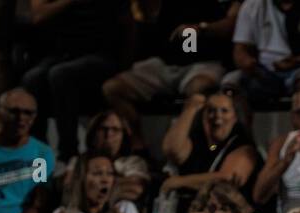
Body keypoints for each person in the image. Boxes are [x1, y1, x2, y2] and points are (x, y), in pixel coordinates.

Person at [102, 1, 240, 149]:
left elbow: (233, 24)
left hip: (206, 62)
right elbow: (147, 16)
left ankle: (188, 148)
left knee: (198, 87)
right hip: (166, 63)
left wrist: (200, 29)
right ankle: (138, 146)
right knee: (113, 88)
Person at [22, 0, 123, 159]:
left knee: (60, 75)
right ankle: (38, 154)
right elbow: (38, 15)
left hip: (99, 53)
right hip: (62, 53)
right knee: (32, 79)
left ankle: (68, 153)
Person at [157, 92, 262, 213]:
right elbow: (172, 150)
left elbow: (227, 178)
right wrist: (190, 109)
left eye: (224, 111)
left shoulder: (243, 146)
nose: (216, 116)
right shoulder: (209, 145)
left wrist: (177, 182)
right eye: (211, 110)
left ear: (235, 117)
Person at [224, 0, 300, 103]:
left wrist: (296, 61)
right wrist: (247, 62)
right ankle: (239, 127)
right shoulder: (252, 4)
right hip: (264, 71)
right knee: (232, 82)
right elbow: (240, 48)